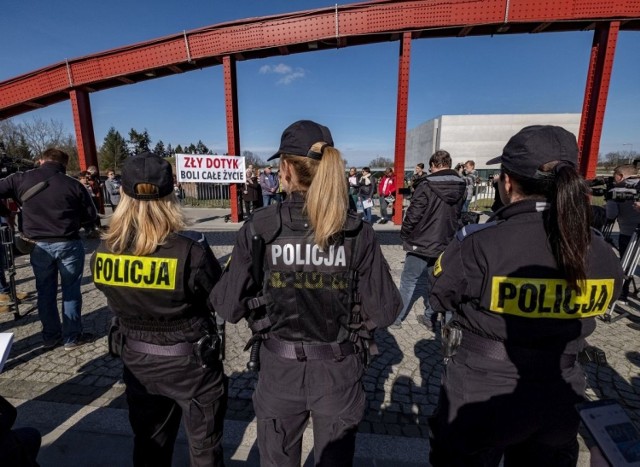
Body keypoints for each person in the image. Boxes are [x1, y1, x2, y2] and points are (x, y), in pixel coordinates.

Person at [428, 125, 624, 467]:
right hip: (560, 394)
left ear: (507, 183)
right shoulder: (600, 249)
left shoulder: (478, 242)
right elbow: (608, 299)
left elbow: (440, 295)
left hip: (483, 391)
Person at [210, 120, 402, 467]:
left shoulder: (259, 227)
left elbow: (226, 305)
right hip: (340, 368)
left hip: (279, 368)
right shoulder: (357, 231)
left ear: (285, 170)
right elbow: (387, 311)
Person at [91, 152, 228, 467]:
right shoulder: (190, 249)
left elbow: (106, 289)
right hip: (192, 364)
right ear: (170, 194)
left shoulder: (103, 250)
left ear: (122, 195)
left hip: (138, 361)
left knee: (150, 446)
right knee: (205, 451)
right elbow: (218, 300)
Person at [0, 148, 97, 350]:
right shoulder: (73, 185)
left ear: (42, 160)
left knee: (45, 291)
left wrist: (6, 214)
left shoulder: (20, 179)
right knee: (71, 290)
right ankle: (72, 338)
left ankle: (50, 337)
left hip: (37, 245)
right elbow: (91, 216)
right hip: (68, 243)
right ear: (64, 164)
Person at [392, 150, 465, 329]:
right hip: (446, 242)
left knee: (409, 281)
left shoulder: (426, 184)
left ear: (433, 165)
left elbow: (413, 214)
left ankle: (396, 319)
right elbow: (459, 214)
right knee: (436, 281)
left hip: (421, 241)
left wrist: (405, 235)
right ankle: (429, 317)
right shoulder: (461, 185)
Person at [605, 164, 640, 304]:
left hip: (628, 232)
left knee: (625, 263)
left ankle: (621, 295)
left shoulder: (616, 190)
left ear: (620, 176)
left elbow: (611, 214)